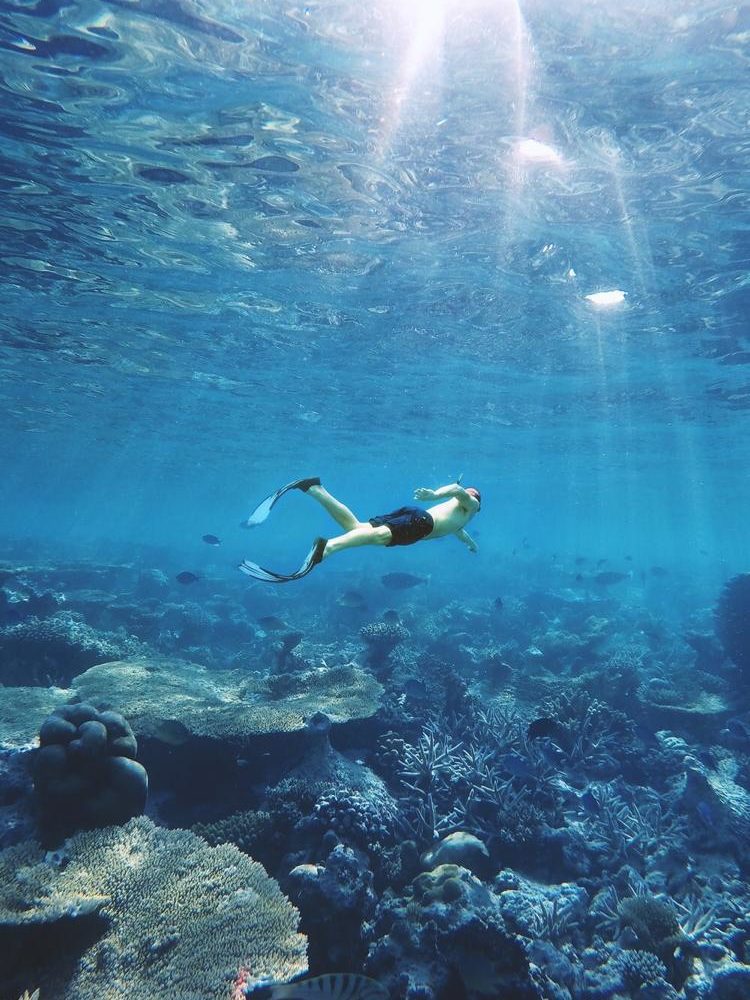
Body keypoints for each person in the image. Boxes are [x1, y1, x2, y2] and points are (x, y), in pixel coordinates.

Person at [238, 477, 481, 583]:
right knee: (378, 537)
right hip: (422, 523)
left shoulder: (461, 520)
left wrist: (471, 544)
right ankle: (328, 547)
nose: (468, 495)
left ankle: (314, 489)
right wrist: (435, 494)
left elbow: (459, 532)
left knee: (355, 527)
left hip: (415, 515)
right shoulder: (472, 504)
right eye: (470, 493)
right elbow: (458, 491)